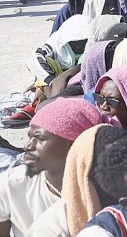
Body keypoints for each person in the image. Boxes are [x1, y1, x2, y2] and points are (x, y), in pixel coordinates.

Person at [0, 98, 104, 237]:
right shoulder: (11, 184)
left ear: (74, 145)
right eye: (30, 138)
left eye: (40, 139)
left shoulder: (106, 190)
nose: (28, 146)